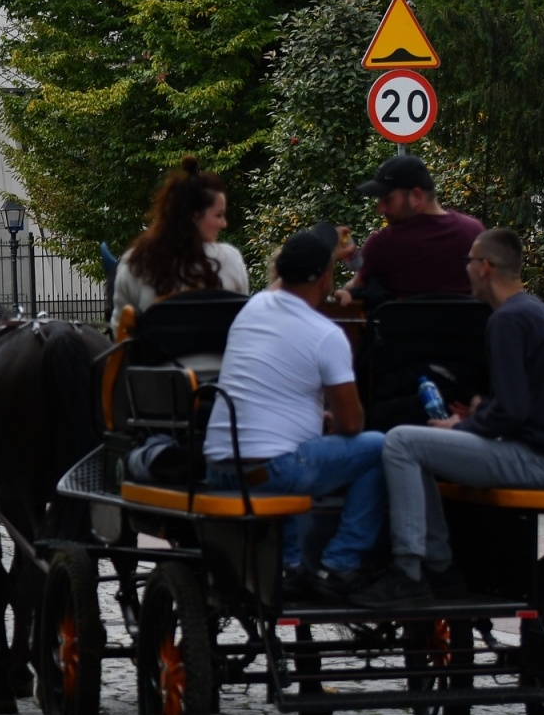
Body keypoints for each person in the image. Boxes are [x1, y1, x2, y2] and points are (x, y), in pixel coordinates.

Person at [353, 228, 544, 608]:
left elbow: (512, 410)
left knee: (401, 441)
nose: (464, 271)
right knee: (418, 446)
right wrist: (482, 411)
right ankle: (441, 566)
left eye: (467, 263)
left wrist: (460, 425)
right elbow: (522, 402)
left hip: (536, 460)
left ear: (484, 267)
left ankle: (412, 572)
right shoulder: (539, 311)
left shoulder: (506, 320)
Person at [200, 229, 385, 599]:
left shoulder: (250, 308)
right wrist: (330, 416)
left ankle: (289, 565)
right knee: (379, 447)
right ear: (326, 278)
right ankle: (341, 562)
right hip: (269, 473)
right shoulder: (325, 334)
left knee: (294, 446)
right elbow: (352, 424)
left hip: (218, 468)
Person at [110, 156, 250, 335]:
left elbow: (120, 332)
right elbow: (243, 322)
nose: (224, 224)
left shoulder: (136, 262)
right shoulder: (231, 259)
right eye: (219, 215)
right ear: (194, 216)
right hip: (223, 362)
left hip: (156, 362)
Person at [338, 155, 485, 305]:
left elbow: (351, 291)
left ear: (416, 196)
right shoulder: (474, 232)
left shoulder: (382, 244)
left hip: (404, 328)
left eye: (388, 200)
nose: (381, 209)